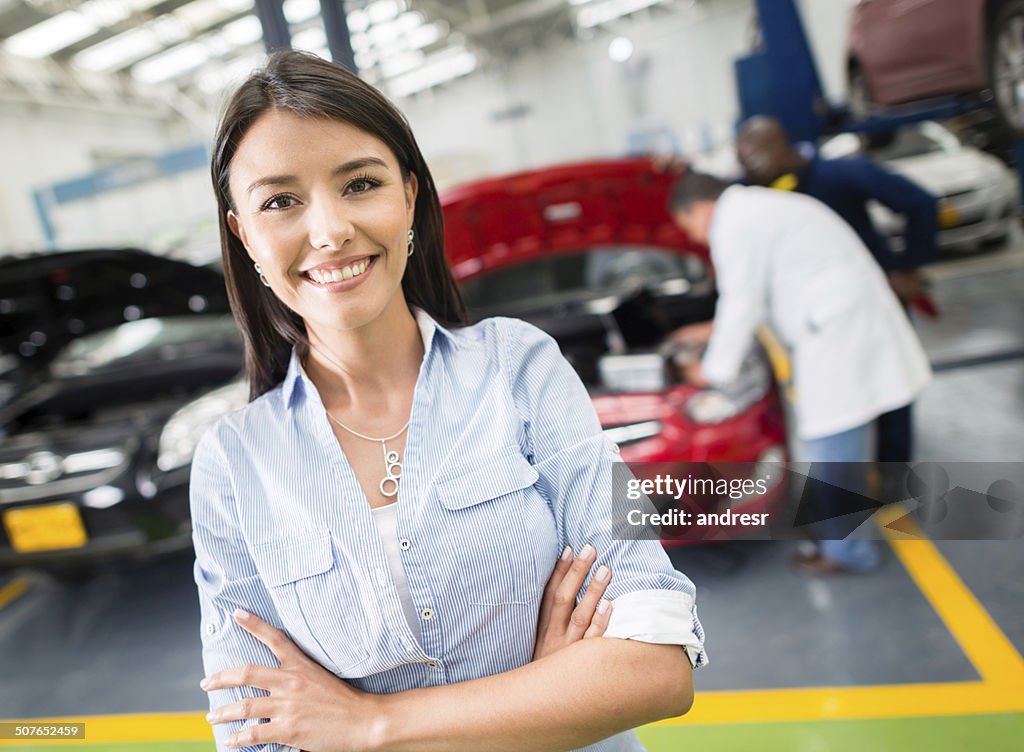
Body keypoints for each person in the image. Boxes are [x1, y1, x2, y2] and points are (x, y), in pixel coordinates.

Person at [192, 50, 706, 752]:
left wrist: (371, 724)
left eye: (359, 184)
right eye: (281, 201)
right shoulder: (233, 462)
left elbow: (656, 665)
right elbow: (260, 739)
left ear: (408, 195)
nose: (329, 230)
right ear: (243, 233)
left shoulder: (519, 367)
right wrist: (548, 695)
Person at [668, 172, 931, 574]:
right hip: (842, 325)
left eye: (689, 229)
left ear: (700, 209)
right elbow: (764, 292)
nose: (697, 239)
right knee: (841, 445)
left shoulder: (733, 222)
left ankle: (848, 554)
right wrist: (709, 331)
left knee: (832, 447)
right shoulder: (760, 207)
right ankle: (844, 546)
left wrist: (712, 371)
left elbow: (742, 301)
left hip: (835, 336)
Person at [736, 115, 940, 467]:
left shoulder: (840, 175)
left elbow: (920, 202)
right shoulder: (751, 191)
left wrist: (908, 268)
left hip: (876, 306)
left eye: (756, 158)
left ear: (782, 147)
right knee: (833, 407)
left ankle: (892, 481)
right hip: (816, 325)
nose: (750, 169)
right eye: (743, 161)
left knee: (892, 392)